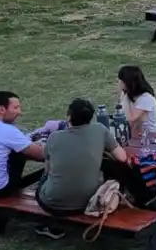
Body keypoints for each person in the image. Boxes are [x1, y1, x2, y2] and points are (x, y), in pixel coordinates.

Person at [34, 98, 137, 236]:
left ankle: (49, 225)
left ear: (69, 116)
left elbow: (48, 170)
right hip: (89, 202)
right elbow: (122, 157)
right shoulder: (99, 130)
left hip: (52, 204)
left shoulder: (54, 137)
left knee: (44, 178)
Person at [116, 65, 156, 147]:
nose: (119, 83)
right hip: (133, 137)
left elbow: (131, 119)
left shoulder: (146, 97)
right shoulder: (128, 94)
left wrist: (125, 97)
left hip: (150, 139)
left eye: (122, 81)